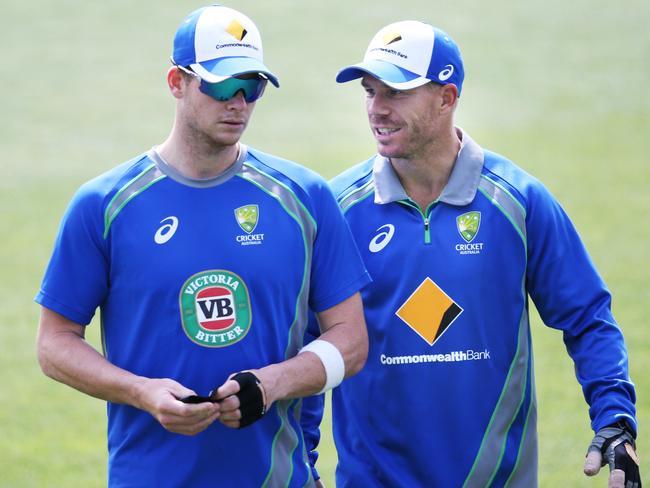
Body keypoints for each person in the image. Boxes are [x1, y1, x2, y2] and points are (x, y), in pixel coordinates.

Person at [35, 5, 370, 487]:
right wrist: (142, 391)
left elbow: (351, 340)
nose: (237, 103)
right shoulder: (104, 205)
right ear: (177, 82)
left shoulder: (304, 198)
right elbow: (54, 345)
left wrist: (272, 384)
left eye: (251, 87)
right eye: (219, 85)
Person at [304, 20, 640, 487]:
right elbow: (308, 346)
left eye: (395, 93)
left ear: (447, 97)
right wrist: (303, 464)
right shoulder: (337, 210)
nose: (376, 110)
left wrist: (615, 419)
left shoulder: (519, 203)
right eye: (369, 92)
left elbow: (587, 317)